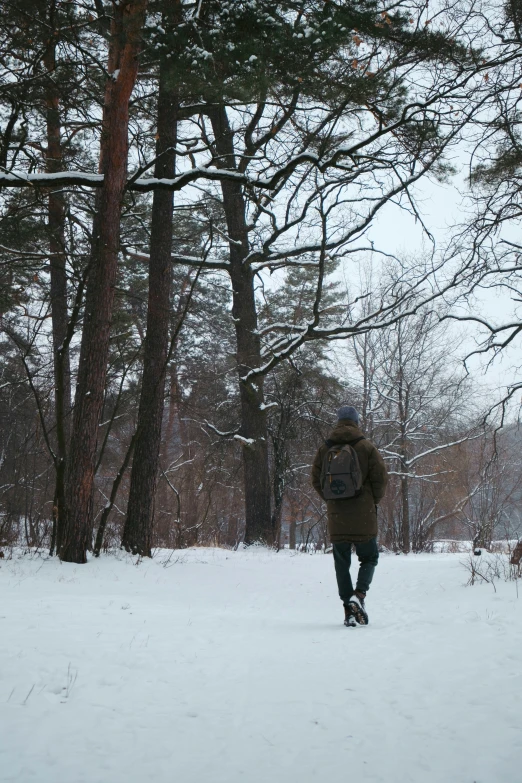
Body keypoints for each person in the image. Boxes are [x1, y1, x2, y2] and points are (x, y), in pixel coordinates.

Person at [311, 405, 388, 626]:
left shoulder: (325, 449)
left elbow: (316, 480)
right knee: (369, 557)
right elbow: (380, 479)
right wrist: (372, 501)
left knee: (341, 563)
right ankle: (360, 594)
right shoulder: (366, 447)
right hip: (364, 515)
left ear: (338, 421)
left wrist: (331, 500)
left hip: (337, 516)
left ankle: (348, 607)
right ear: (356, 422)